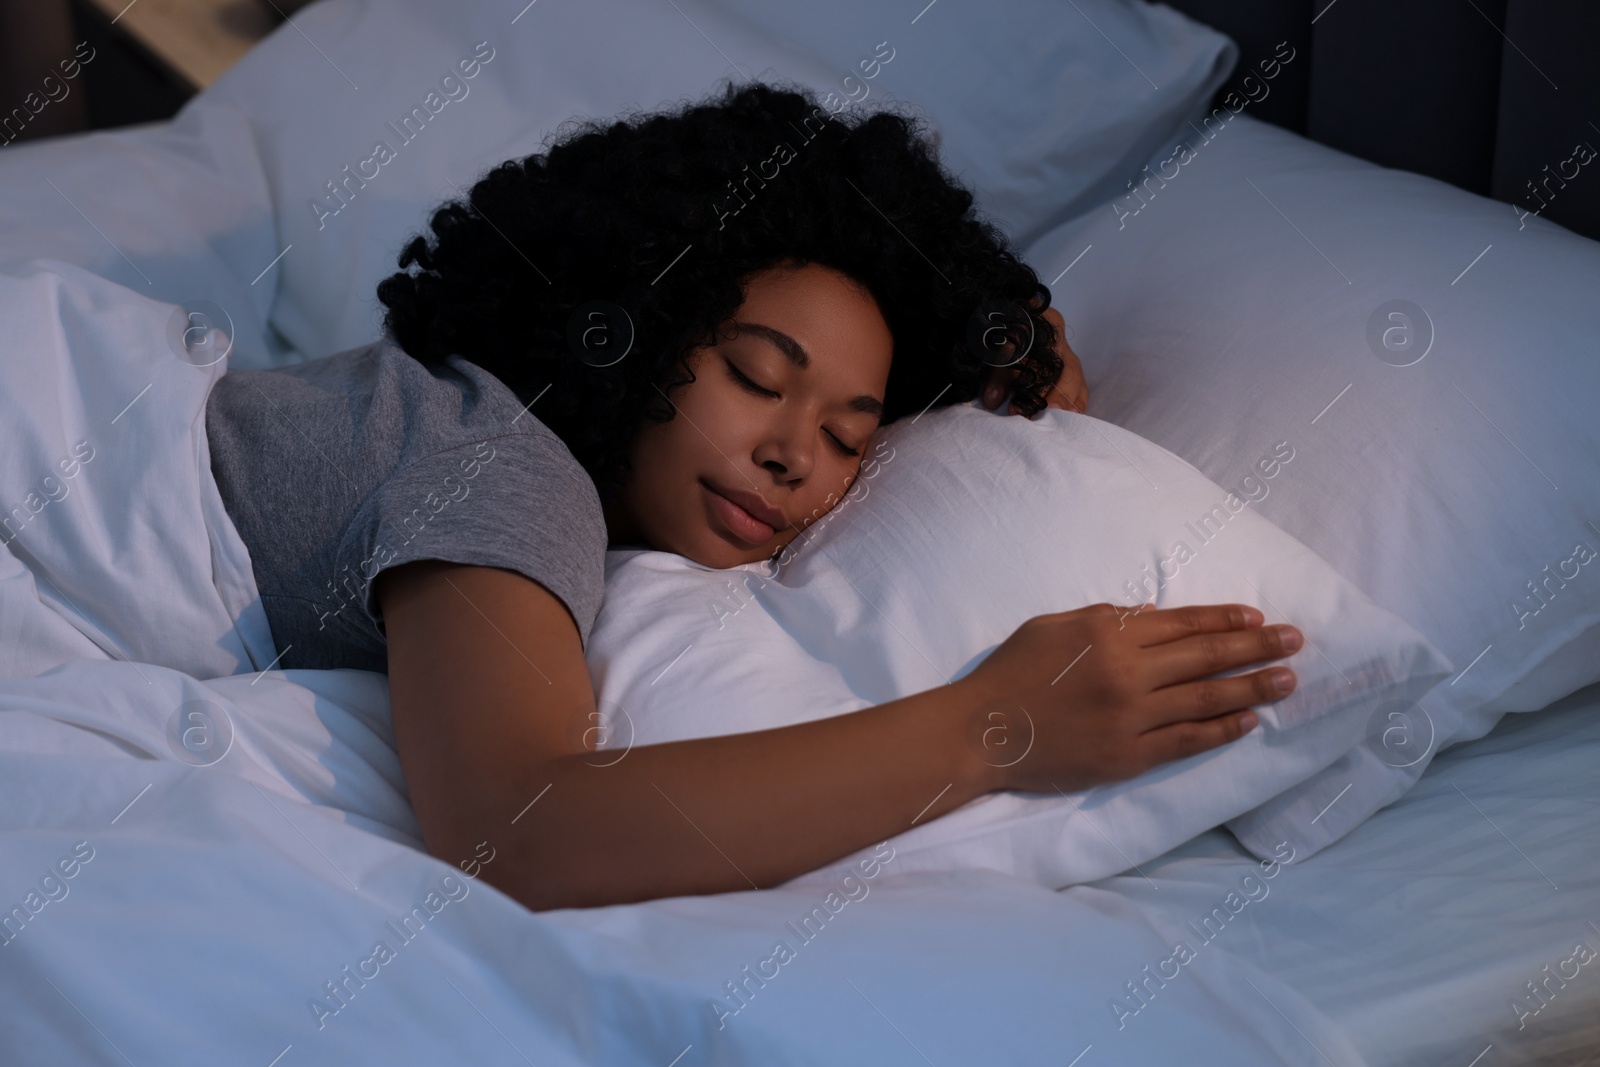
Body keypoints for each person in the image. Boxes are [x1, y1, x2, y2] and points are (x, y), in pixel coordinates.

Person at [205, 81, 1301, 912]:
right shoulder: (501, 460)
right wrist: (994, 725)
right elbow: (516, 828)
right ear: (632, 325)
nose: (792, 457)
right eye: (754, 377)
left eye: (844, 438)